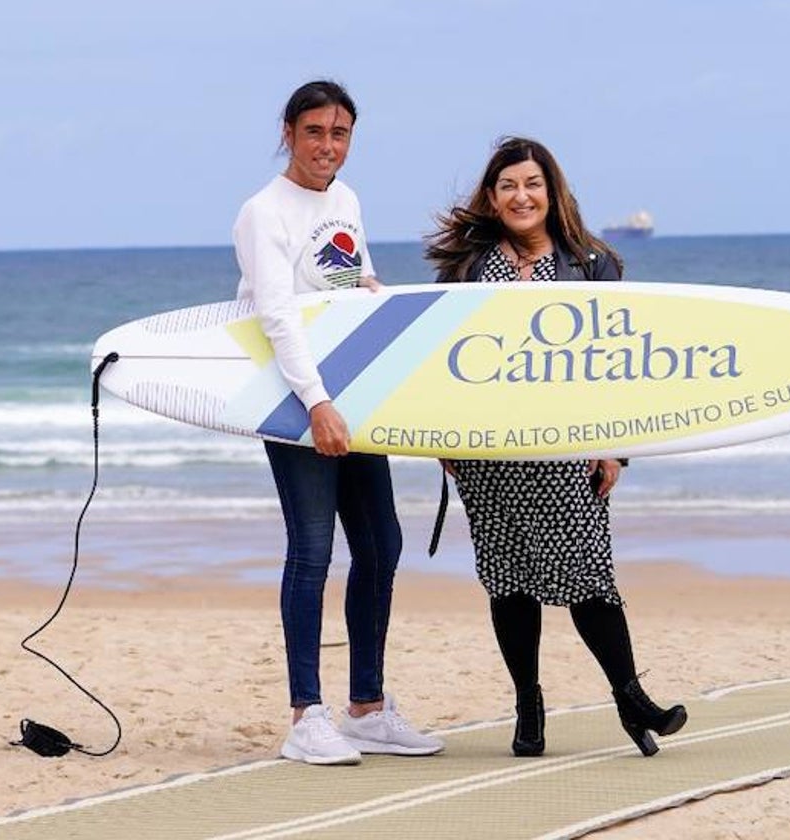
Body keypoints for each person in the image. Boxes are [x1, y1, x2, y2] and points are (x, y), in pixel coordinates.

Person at [424, 136, 687, 758]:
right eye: (509, 185)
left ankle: (631, 698)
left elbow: (617, 366)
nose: (522, 196)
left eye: (533, 184)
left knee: (589, 577)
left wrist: (615, 449)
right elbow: (437, 362)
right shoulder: (466, 269)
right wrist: (436, 435)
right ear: (492, 196)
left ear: (552, 192)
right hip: (488, 454)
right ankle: (528, 708)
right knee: (509, 579)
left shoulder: (592, 262)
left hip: (564, 450)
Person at [234, 80, 443, 765]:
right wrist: (316, 402)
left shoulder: (346, 200)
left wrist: (383, 301)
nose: (329, 146)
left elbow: (352, 282)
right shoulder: (263, 212)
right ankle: (306, 716)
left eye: (341, 133)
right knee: (314, 552)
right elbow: (277, 315)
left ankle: (367, 709)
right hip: (297, 403)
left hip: (352, 394)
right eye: (316, 131)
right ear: (288, 132)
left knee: (381, 546)